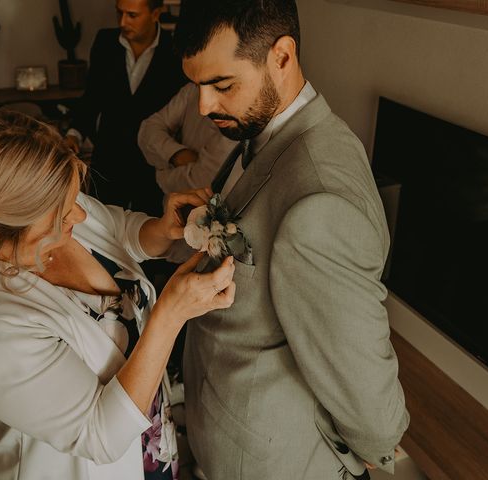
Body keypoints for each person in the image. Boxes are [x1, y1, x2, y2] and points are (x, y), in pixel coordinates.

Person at [0, 109, 236, 480]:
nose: (78, 215)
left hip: (149, 436)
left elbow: (119, 233)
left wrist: (160, 230)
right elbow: (99, 435)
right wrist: (170, 315)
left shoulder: (49, 202)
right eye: (60, 215)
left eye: (74, 200)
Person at [173, 1, 409, 479]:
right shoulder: (258, 135)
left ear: (281, 56)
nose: (203, 106)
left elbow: (376, 417)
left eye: (222, 85)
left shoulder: (321, 198)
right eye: (197, 85)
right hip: (218, 432)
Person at [66, 0, 186, 217]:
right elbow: (92, 97)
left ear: (156, 13)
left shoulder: (176, 49)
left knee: (149, 234)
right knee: (101, 230)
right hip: (109, 160)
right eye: (119, 13)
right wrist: (74, 134)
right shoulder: (105, 42)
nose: (123, 22)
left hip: (152, 166)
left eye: (132, 15)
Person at [138, 83, 236, 196]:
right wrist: (176, 154)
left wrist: (161, 174)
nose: (203, 109)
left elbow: (203, 183)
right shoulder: (191, 89)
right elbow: (148, 129)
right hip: (169, 209)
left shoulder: (237, 118)